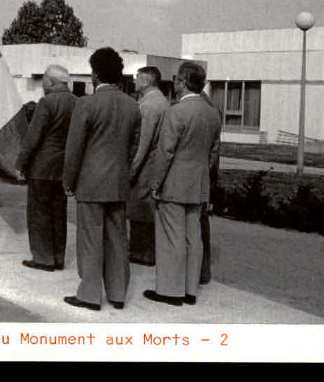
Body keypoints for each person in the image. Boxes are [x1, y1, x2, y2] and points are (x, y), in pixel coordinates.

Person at [62, 48, 141, 311]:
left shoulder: (85, 104)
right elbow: (133, 146)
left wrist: (68, 181)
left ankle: (90, 295)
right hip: (118, 182)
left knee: (90, 239)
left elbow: (74, 149)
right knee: (118, 239)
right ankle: (118, 294)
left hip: (91, 182)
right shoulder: (132, 106)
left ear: (95, 73)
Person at [138, 61, 221, 307]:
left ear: (183, 83)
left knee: (170, 238)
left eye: (176, 80)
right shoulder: (212, 112)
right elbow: (214, 153)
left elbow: (165, 152)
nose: (174, 84)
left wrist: (155, 183)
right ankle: (190, 290)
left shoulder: (177, 112)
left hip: (173, 184)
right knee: (193, 238)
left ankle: (169, 290)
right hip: (198, 184)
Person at [15, 64, 78, 272]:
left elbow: (34, 136)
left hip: (42, 167)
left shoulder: (47, 103)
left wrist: (21, 163)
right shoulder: (77, 102)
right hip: (63, 168)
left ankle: (43, 258)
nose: (43, 86)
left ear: (51, 82)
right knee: (58, 213)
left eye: (44, 82)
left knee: (39, 212)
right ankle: (58, 257)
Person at [126, 66, 169, 266]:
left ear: (145, 81)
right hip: (156, 163)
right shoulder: (163, 103)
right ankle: (145, 251)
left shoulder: (148, 107)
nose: (134, 82)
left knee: (140, 209)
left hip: (146, 166)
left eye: (137, 78)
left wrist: (132, 170)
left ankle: (141, 252)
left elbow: (142, 143)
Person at [199, 83, 222, 284]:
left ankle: (198, 270)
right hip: (206, 178)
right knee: (201, 225)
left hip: (197, 179)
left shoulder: (199, 110)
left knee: (196, 226)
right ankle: (202, 270)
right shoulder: (213, 110)